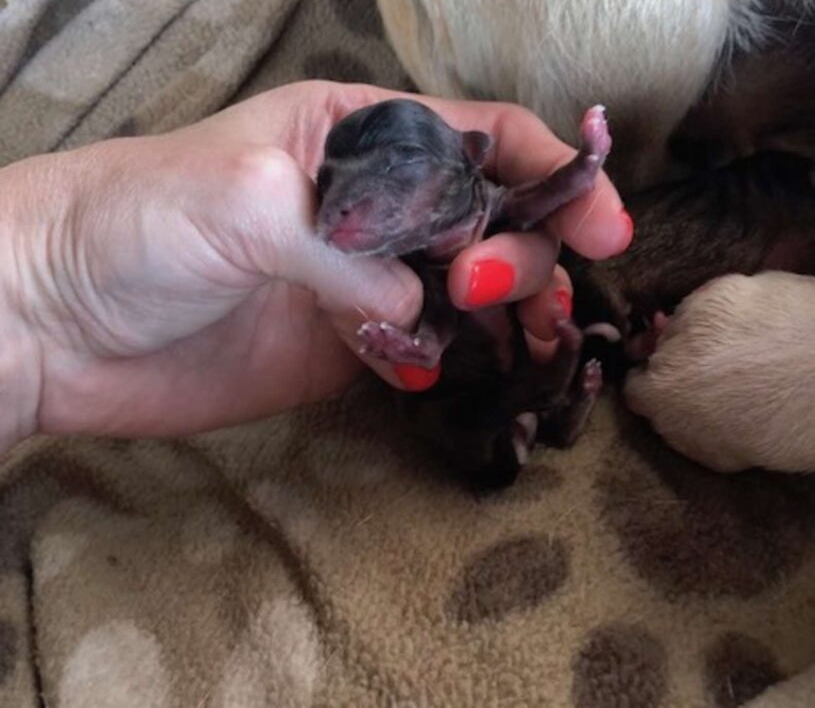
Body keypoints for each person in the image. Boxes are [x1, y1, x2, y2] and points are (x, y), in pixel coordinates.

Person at [0, 81, 632, 457]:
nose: (338, 206)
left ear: (471, 158)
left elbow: (545, 195)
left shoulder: (490, 205)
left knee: (551, 333)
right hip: (474, 386)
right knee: (480, 415)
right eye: (325, 181)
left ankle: (555, 391)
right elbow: (435, 325)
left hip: (497, 342)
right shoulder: (408, 268)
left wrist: (590, 157)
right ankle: (550, 394)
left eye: (402, 167)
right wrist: (44, 283)